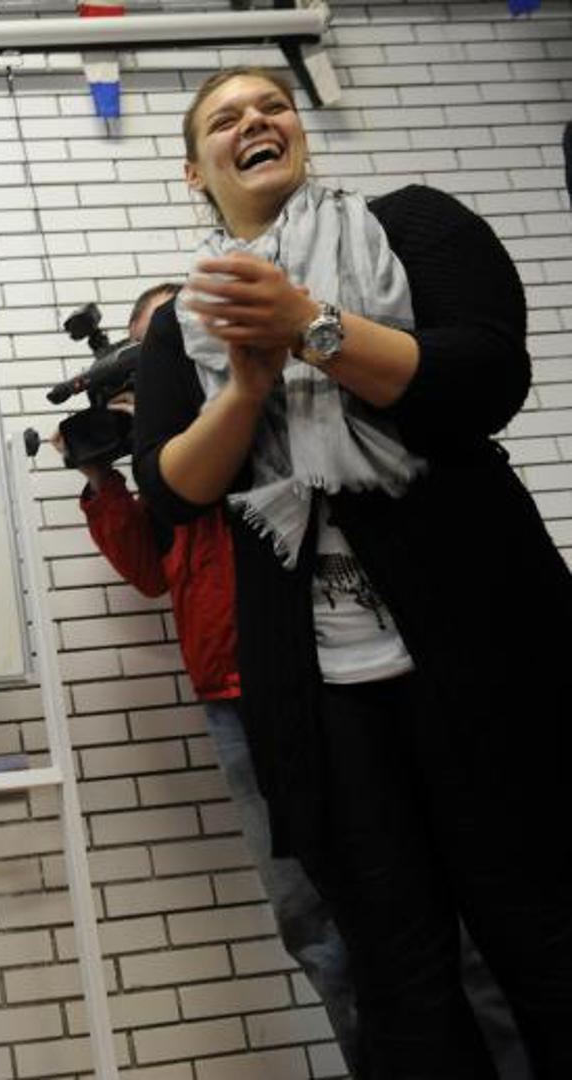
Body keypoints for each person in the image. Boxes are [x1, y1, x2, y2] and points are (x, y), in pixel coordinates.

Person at [132, 66, 572, 1077]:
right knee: (397, 974)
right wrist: (242, 388)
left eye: (273, 106)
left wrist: (311, 326)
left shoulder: (413, 225)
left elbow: (486, 375)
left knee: (543, 931)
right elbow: (169, 491)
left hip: (486, 650)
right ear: (195, 171)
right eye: (225, 119)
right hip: (318, 695)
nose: (256, 121)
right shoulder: (185, 323)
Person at [62, 282, 365, 1073]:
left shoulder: (275, 401)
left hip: (332, 670)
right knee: (309, 920)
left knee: (406, 891)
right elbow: (150, 571)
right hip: (232, 698)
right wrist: (105, 478)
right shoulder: (164, 457)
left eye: (167, 343)